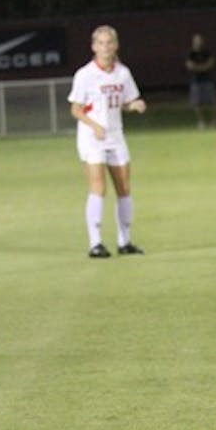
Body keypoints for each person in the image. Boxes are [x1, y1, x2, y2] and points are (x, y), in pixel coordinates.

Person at [68, 25, 146, 259]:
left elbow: (124, 101)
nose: (105, 47)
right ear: (94, 46)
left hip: (115, 135)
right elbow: (76, 109)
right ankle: (96, 243)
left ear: (116, 45)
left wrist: (134, 105)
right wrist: (94, 125)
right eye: (101, 43)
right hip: (92, 138)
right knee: (98, 187)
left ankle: (125, 241)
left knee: (124, 188)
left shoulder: (122, 73)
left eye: (109, 42)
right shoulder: (85, 74)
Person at [186, 33, 216, 129]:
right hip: (196, 81)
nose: (199, 42)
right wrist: (203, 67)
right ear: (193, 42)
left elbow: (210, 64)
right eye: (197, 40)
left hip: (207, 80)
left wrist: (198, 67)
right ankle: (201, 122)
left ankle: (214, 121)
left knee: (212, 101)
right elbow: (190, 66)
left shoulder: (207, 52)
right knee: (197, 103)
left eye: (200, 40)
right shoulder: (190, 53)